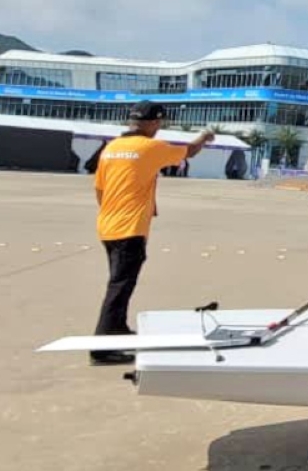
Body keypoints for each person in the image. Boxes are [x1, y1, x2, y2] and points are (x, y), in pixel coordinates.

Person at [89, 101, 215, 366]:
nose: (158, 128)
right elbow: (189, 152)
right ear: (151, 123)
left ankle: (118, 329)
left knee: (119, 282)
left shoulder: (111, 148)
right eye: (158, 124)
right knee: (120, 286)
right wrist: (204, 137)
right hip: (130, 228)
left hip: (108, 225)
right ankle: (101, 348)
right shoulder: (150, 147)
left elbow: (99, 189)